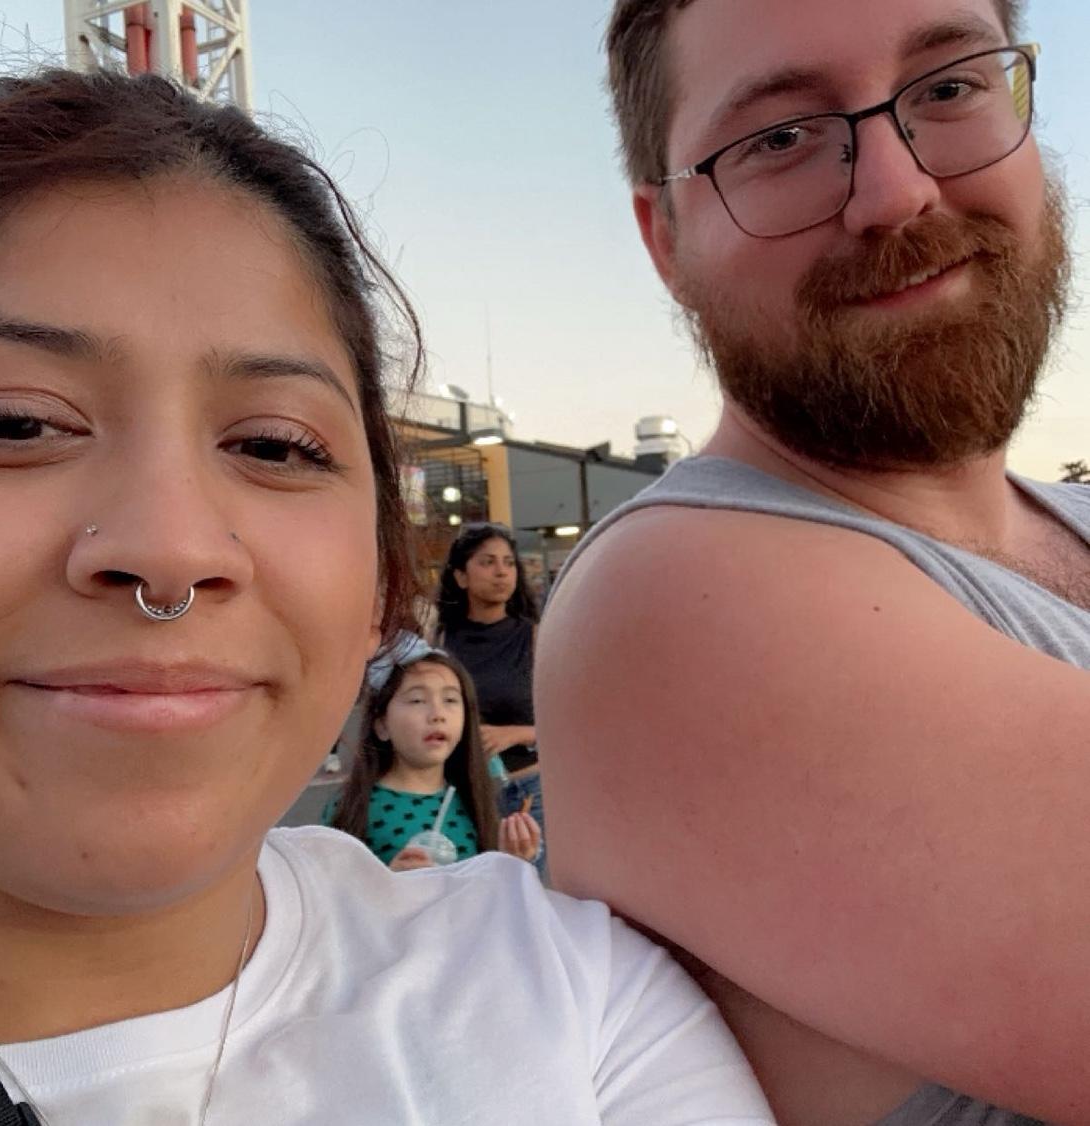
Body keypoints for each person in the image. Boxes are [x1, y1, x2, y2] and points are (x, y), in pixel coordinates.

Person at [0, 67, 777, 1125]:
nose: (170, 550)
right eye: (12, 424)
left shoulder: (563, 1000)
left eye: (273, 445)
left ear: (381, 581)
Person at [536, 2, 1090, 1124]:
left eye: (949, 88)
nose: (897, 191)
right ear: (664, 240)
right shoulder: (675, 601)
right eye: (780, 138)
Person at [325, 640, 542, 870]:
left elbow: (492, 889)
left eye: (450, 700)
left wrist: (515, 863)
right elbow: (324, 886)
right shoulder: (352, 807)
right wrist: (388, 881)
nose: (438, 714)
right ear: (382, 725)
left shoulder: (480, 804)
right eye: (417, 700)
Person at [436, 523, 545, 840]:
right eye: (487, 562)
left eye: (509, 563)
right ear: (461, 577)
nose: (501, 572)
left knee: (522, 874)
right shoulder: (440, 640)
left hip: (525, 793)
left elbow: (571, 722)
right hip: (459, 792)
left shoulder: (536, 638)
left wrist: (515, 734)